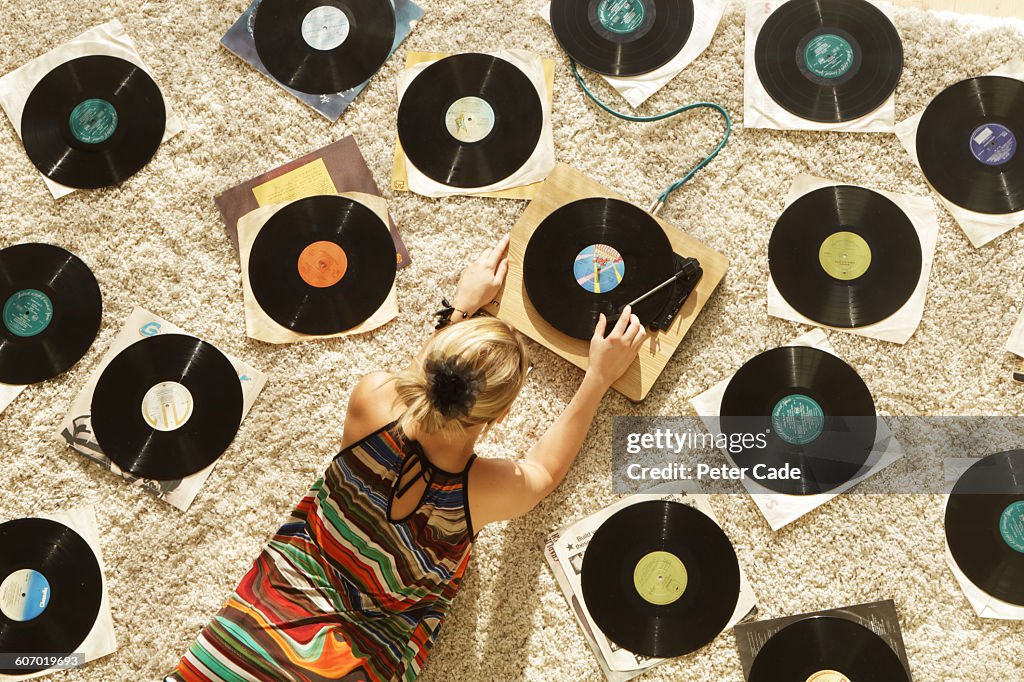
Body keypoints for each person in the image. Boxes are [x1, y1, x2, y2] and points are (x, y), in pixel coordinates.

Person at [168, 234, 647, 682]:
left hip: (252, 630)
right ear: (497, 418)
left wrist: (460, 307)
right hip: (349, 657)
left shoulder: (371, 397)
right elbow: (543, 473)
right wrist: (598, 378)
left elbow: (414, 383)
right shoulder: (480, 492)